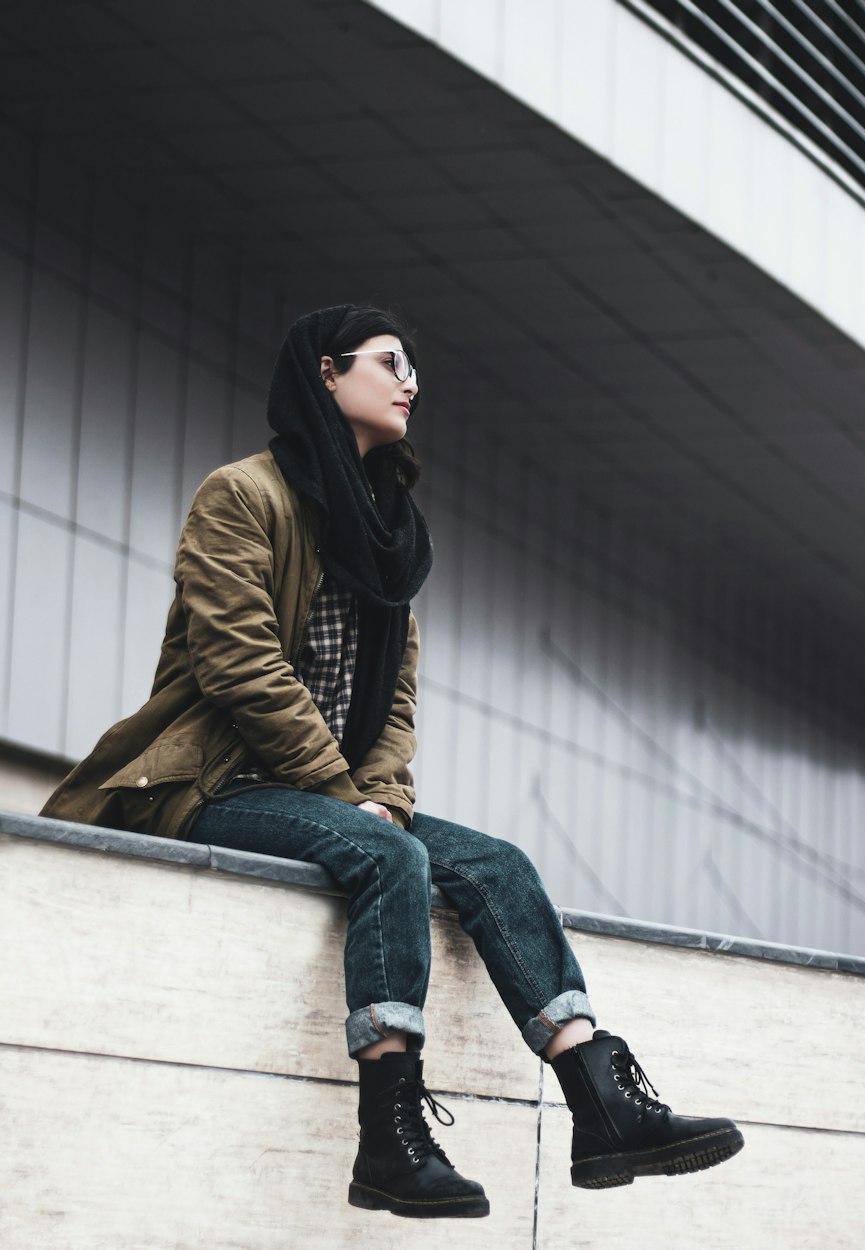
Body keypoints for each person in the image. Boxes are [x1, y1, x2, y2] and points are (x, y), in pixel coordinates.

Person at [42, 305, 744, 1219]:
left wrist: (378, 793)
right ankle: (389, 1140)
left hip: (333, 796)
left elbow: (397, 702)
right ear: (326, 374)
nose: (410, 381)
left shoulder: (392, 533)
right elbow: (237, 662)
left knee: (498, 864)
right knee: (391, 856)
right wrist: (348, 798)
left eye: (411, 368)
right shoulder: (241, 495)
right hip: (216, 781)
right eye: (389, 362)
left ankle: (602, 1102)